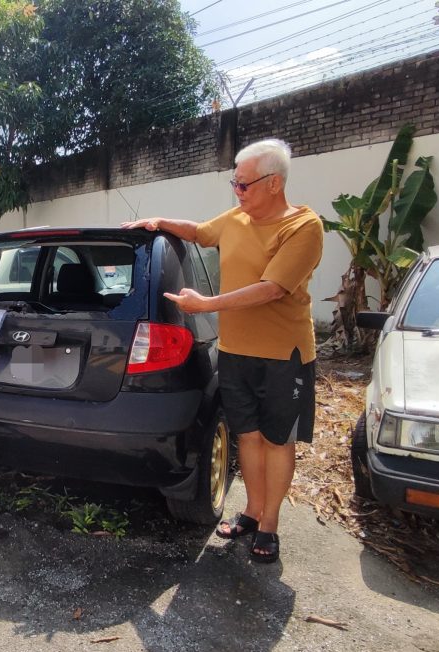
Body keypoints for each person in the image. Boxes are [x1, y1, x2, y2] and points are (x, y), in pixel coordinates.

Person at [122, 138, 323, 564]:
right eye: (235, 183)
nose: (237, 191)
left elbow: (272, 288)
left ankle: (270, 524)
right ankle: (251, 511)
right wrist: (160, 220)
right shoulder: (236, 219)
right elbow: (199, 232)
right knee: (247, 437)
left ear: (273, 183)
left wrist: (207, 304)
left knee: (276, 440)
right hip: (236, 351)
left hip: (283, 355)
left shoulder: (302, 227)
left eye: (243, 184)